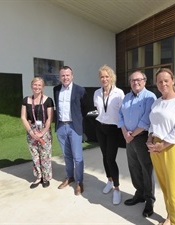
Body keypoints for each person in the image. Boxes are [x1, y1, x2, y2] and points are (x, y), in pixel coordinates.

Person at [146, 68, 175, 225]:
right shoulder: (157, 102)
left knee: (174, 190)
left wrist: (162, 145)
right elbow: (152, 124)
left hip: (172, 147)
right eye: (159, 81)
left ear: (173, 81)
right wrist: (149, 139)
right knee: (165, 187)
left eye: (166, 80)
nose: (163, 83)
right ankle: (170, 217)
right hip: (156, 147)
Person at [118, 71, 156, 217]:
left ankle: (149, 200)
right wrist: (124, 133)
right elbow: (120, 116)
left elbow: (146, 120)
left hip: (141, 137)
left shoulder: (149, 97)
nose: (135, 82)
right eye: (132, 80)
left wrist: (131, 135)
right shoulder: (126, 97)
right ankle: (139, 194)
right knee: (133, 167)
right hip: (128, 138)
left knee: (146, 169)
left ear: (144, 81)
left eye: (139, 80)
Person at [53, 66, 89, 195]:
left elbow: (85, 108)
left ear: (72, 76)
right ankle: (70, 177)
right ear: (60, 77)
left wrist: (78, 120)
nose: (65, 77)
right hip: (61, 127)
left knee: (78, 157)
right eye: (63, 75)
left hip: (74, 127)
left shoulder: (80, 90)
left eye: (67, 75)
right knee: (66, 155)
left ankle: (79, 181)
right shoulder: (56, 89)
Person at [93, 65, 125, 205]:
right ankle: (109, 180)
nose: (104, 79)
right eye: (102, 77)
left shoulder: (119, 93)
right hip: (100, 127)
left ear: (111, 77)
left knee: (111, 159)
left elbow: (123, 112)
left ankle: (117, 188)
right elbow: (97, 109)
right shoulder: (96, 93)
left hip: (113, 129)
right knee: (105, 156)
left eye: (107, 76)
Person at [21, 77, 54, 189]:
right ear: (31, 86)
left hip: (44, 131)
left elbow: (50, 118)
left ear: (43, 87)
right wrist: (30, 131)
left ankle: (46, 177)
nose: (37, 87)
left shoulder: (48, 100)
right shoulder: (26, 100)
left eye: (39, 85)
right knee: (35, 155)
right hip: (32, 131)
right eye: (35, 85)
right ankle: (38, 176)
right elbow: (23, 117)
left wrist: (43, 132)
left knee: (45, 155)